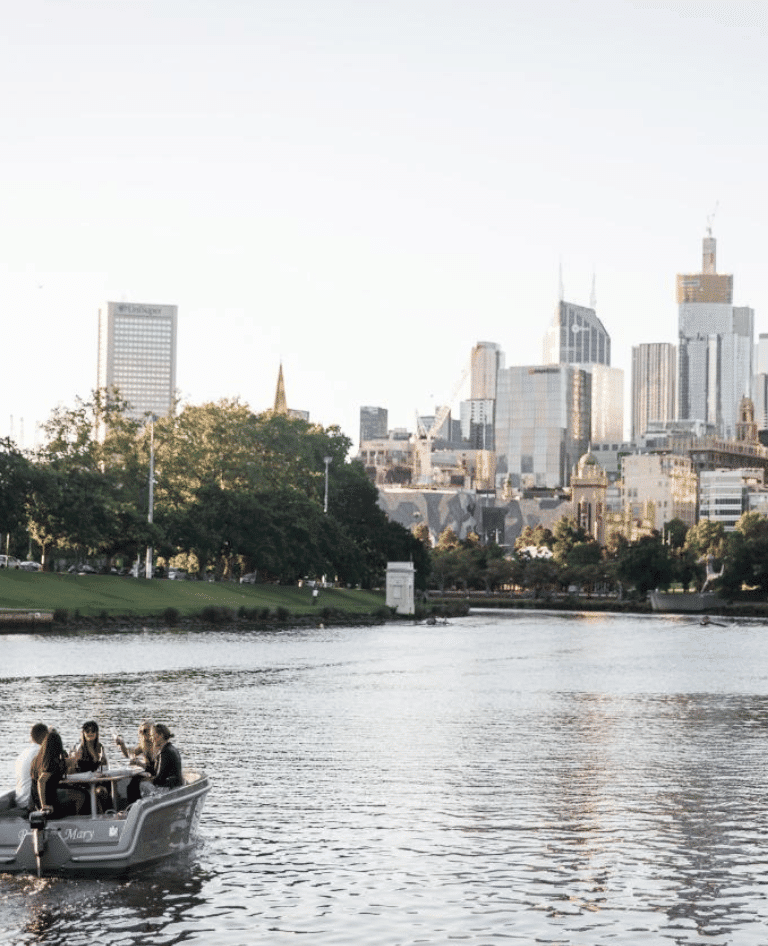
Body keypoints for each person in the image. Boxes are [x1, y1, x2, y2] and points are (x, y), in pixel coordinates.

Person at [30, 729, 80, 817]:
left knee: (78, 795)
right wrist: (44, 805)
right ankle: (79, 822)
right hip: (48, 806)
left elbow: (65, 764)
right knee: (82, 796)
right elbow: (41, 780)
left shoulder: (38, 760)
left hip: (36, 803)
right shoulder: (50, 763)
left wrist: (71, 761)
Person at [70, 720, 109, 812]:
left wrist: (101, 760)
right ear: (83, 733)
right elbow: (73, 768)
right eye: (87, 731)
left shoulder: (100, 747)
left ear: (97, 733)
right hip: (82, 782)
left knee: (103, 790)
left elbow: (105, 768)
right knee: (98, 791)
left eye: (93, 730)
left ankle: (104, 814)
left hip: (97, 781)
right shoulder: (79, 748)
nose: (90, 733)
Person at [14, 722, 48, 813]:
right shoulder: (40, 752)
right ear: (46, 737)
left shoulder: (24, 753)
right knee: (78, 795)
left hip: (20, 799)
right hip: (30, 803)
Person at [149, 724, 183, 789]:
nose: (151, 738)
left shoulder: (165, 752)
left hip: (169, 787)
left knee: (141, 784)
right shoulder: (171, 748)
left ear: (161, 735)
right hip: (175, 784)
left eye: (153, 735)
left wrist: (147, 779)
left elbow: (160, 778)